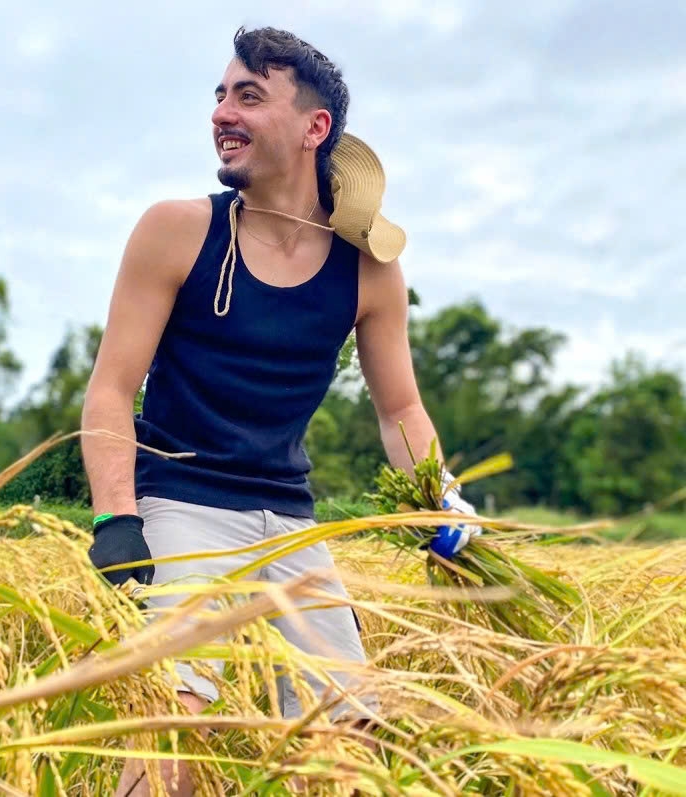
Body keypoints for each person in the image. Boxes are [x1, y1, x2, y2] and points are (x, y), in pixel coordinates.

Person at [80, 25, 480, 797]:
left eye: (249, 96)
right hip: (181, 505)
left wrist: (442, 495)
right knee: (176, 714)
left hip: (291, 520)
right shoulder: (176, 231)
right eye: (221, 96)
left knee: (349, 735)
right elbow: (110, 388)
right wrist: (115, 517)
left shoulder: (368, 271)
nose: (223, 112)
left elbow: (400, 407)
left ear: (313, 128)